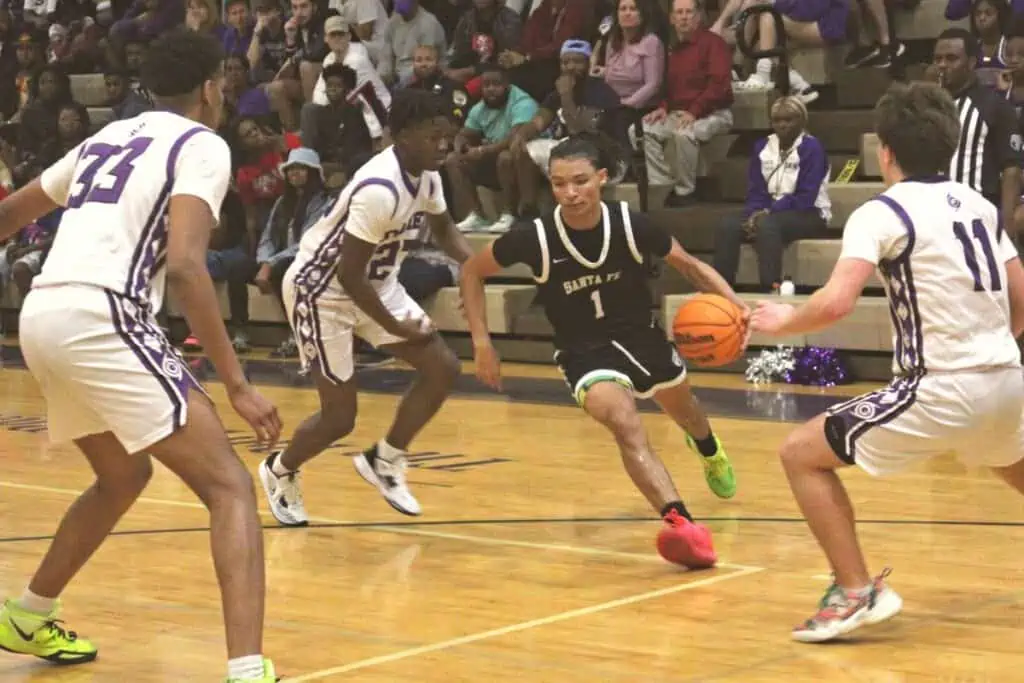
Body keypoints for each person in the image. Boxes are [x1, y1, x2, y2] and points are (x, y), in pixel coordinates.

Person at [0, 28, 281, 682]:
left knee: (124, 476)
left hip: (42, 314)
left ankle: (27, 612)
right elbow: (185, 266)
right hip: (104, 315)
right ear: (212, 88)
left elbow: (10, 213)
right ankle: (247, 669)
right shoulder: (202, 144)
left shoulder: (106, 137)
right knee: (229, 485)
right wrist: (237, 383)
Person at [751, 81, 1024, 643]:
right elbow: (1021, 305)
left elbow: (837, 302)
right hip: (1007, 379)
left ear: (886, 151)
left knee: (800, 454)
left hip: (941, 386)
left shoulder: (882, 211)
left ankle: (855, 590)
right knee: (1010, 466)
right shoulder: (979, 204)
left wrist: (783, 320)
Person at [459, 135, 743, 569]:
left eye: (580, 181)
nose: (570, 193)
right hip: (583, 351)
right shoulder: (534, 237)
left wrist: (738, 310)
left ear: (602, 178)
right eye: (558, 184)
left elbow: (690, 265)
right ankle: (680, 523)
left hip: (641, 338)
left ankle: (708, 449)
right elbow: (470, 272)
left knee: (687, 413)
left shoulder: (630, 224)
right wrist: (482, 343)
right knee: (625, 423)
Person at [259, 88, 473, 526]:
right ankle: (279, 470)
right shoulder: (379, 189)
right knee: (340, 418)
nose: (444, 145)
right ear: (404, 135)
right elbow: (349, 276)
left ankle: (385, 459)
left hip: (376, 282)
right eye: (435, 136)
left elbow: (445, 229)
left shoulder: (427, 176)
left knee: (443, 368)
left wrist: (479, 270)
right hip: (321, 292)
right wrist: (397, 325)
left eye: (448, 136)